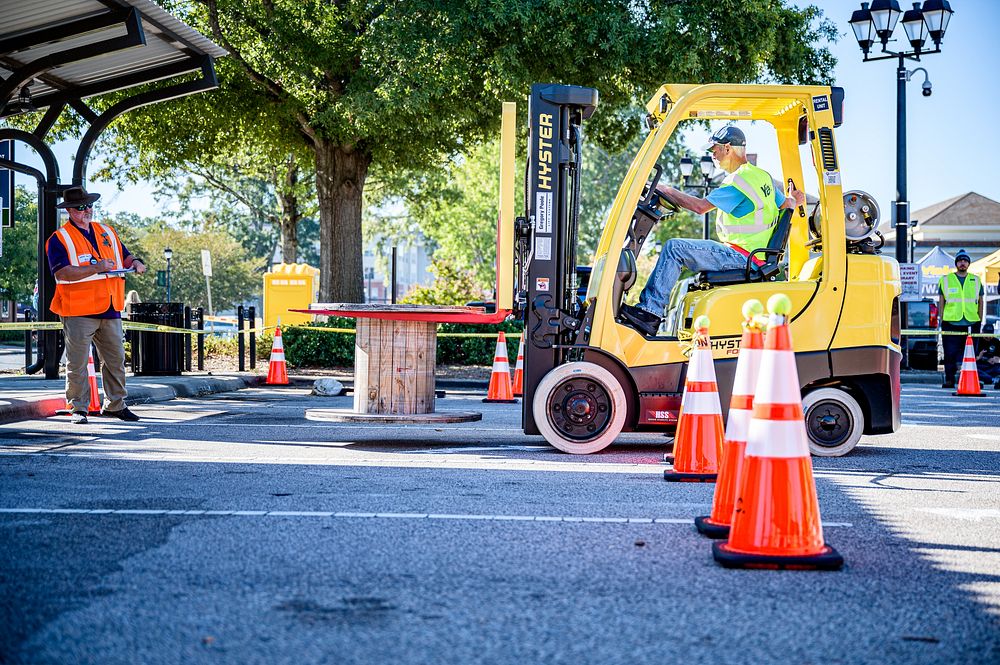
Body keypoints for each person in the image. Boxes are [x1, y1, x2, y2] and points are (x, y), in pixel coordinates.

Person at [619, 126, 806, 336]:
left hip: (739, 256)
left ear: (728, 148)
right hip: (754, 257)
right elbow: (785, 205)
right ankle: (651, 311)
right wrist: (794, 200)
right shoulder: (763, 178)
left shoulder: (738, 181)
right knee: (678, 248)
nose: (712, 154)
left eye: (714, 149)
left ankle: (650, 313)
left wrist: (666, 189)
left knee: (674, 248)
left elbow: (700, 207)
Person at [45, 186, 146, 424]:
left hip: (110, 307)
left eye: (89, 205)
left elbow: (125, 255)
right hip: (78, 310)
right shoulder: (59, 239)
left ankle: (115, 406)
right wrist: (96, 267)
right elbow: (63, 273)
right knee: (77, 362)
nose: (87, 210)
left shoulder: (106, 231)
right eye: (81, 207)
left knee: (115, 360)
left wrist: (137, 262)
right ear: (69, 210)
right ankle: (78, 408)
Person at [937, 248, 983, 388]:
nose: (962, 263)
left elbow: (980, 301)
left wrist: (979, 320)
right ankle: (950, 379)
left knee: (971, 354)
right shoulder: (946, 279)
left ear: (968, 264)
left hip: (971, 321)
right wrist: (941, 319)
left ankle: (973, 378)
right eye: (960, 261)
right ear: (956, 263)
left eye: (965, 261)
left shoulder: (975, 280)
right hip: (951, 322)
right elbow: (941, 301)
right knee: (950, 353)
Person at [975, 323, 1000, 388]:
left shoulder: (996, 341)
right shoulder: (977, 341)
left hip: (991, 367)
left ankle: (986, 379)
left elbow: (997, 358)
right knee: (974, 370)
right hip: (980, 366)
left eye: (990, 335)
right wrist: (980, 356)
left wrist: (994, 360)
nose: (988, 337)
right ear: (982, 332)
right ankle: (992, 379)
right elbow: (972, 360)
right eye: (986, 335)